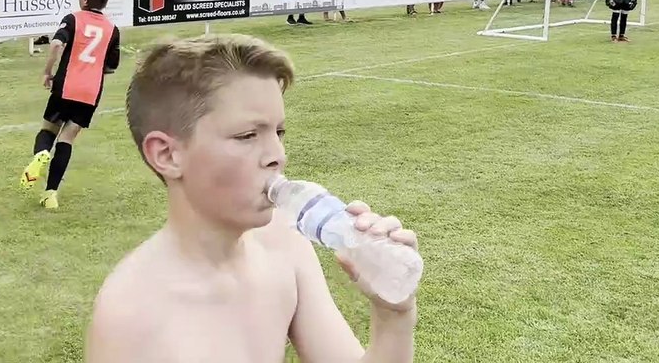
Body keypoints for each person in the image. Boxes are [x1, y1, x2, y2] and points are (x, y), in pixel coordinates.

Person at [86, 34, 420, 362]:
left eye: (279, 132)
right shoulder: (131, 313)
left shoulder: (285, 245)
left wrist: (393, 316)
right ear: (168, 155)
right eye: (247, 135)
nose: (277, 155)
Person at [19, 0, 121, 209]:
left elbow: (56, 44)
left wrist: (47, 72)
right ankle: (50, 194)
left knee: (48, 129)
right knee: (67, 138)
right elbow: (111, 66)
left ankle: (41, 155)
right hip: (90, 91)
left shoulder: (73, 19)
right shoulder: (112, 29)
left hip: (66, 85)